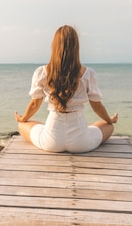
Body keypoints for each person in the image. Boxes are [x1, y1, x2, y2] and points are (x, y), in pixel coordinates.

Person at [15, 25, 118, 153]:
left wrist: (23, 118)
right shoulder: (88, 74)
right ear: (76, 47)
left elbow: (35, 104)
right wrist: (109, 120)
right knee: (108, 126)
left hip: (52, 142)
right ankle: (88, 130)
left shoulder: (42, 72)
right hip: (81, 142)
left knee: (23, 125)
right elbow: (97, 106)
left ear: (54, 46)